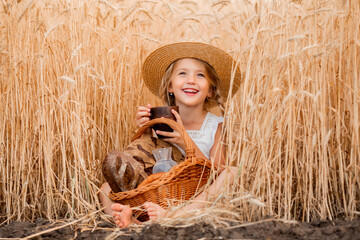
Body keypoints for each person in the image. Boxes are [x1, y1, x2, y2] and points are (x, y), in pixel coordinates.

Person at [99, 42, 241, 228]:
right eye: (183, 73)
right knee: (105, 189)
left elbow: (216, 173)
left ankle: (175, 216)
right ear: (170, 87)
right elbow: (144, 164)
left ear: (211, 90)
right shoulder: (160, 122)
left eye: (200, 75)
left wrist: (185, 141)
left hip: (195, 197)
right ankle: (133, 222)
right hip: (160, 193)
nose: (191, 80)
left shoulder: (219, 125)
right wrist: (145, 130)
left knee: (231, 172)